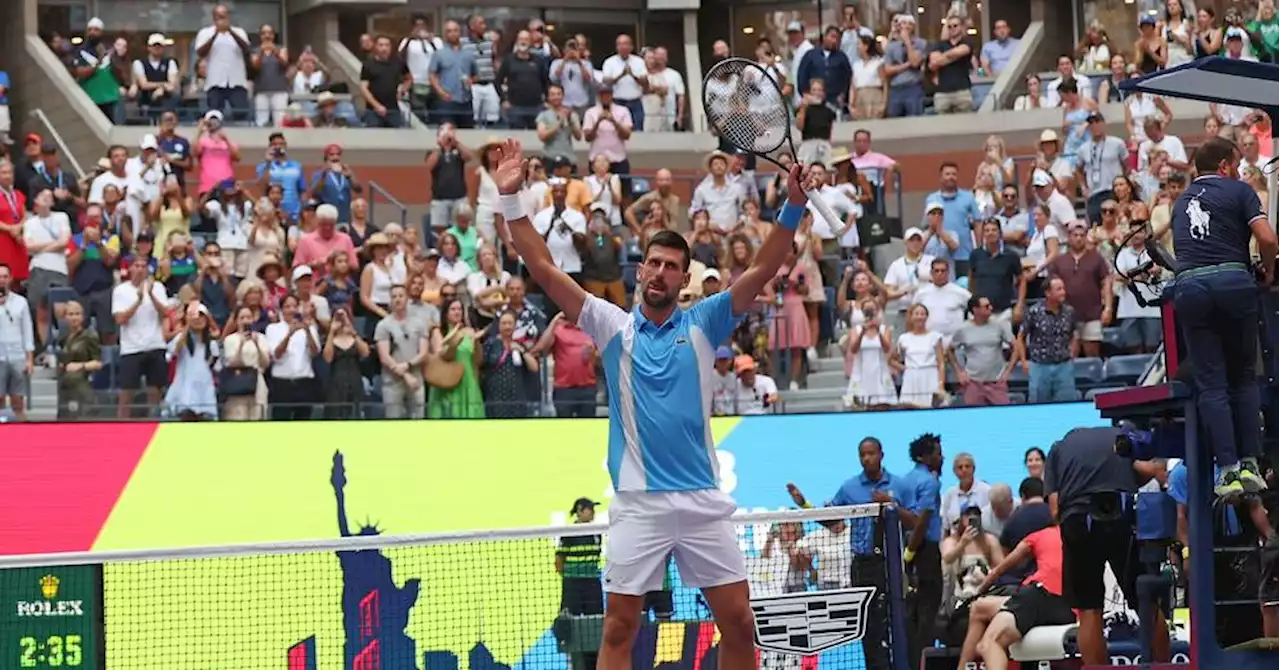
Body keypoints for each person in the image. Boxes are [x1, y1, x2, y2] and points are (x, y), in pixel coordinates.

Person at [491, 137, 820, 669]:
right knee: (619, 627)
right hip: (639, 503)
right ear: (640, 271)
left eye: (672, 266)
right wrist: (511, 200)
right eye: (654, 263)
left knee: (739, 622)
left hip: (699, 500)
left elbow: (761, 270)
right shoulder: (611, 324)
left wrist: (795, 203)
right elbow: (547, 271)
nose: (661, 272)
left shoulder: (704, 322)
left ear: (683, 278)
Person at [1171, 137, 1277, 499]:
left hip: (1189, 287)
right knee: (1244, 378)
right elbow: (1268, 237)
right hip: (1233, 281)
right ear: (1223, 166)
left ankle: (1227, 470)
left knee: (1211, 383)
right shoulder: (1238, 190)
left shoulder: (1179, 202)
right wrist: (1269, 269)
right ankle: (1250, 464)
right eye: (1234, 163)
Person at [1045, 426, 1170, 666]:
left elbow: (1054, 509)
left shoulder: (1058, 448)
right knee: (1146, 603)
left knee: (1089, 609)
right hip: (1120, 513)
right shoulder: (1121, 437)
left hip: (1077, 520)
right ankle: (1165, 666)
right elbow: (1149, 470)